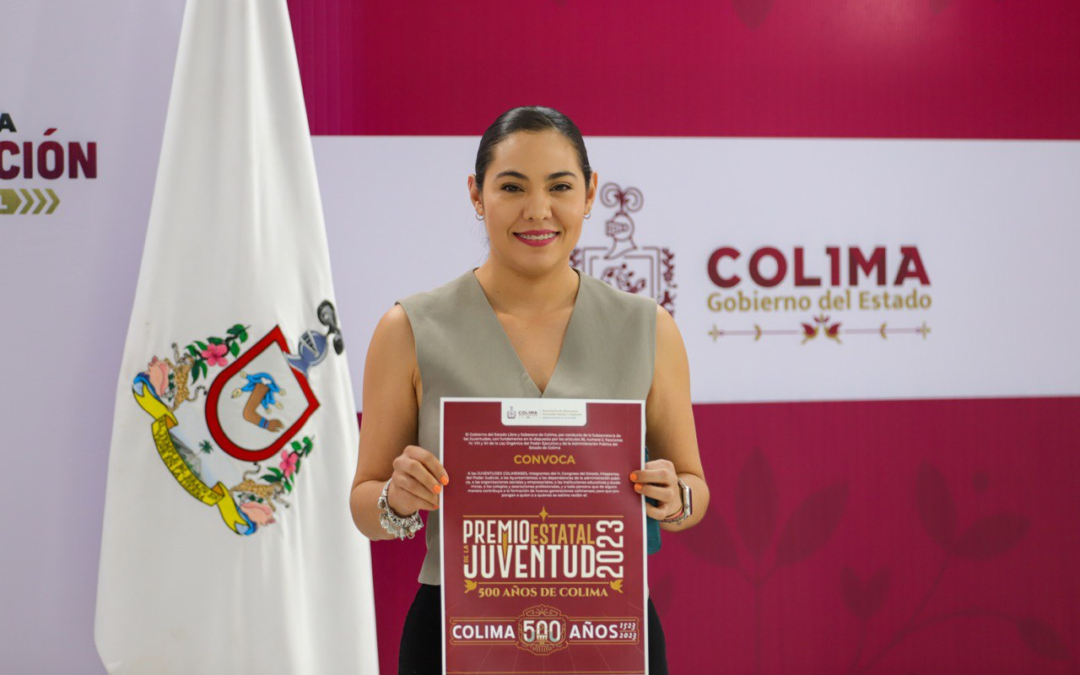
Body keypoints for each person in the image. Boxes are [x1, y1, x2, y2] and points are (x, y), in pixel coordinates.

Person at [349, 106, 710, 675]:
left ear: (589, 193)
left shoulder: (647, 327)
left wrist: (675, 496)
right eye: (512, 186)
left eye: (559, 187)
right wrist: (396, 498)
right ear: (476, 194)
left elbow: (694, 489)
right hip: (456, 633)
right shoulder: (410, 328)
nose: (537, 210)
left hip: (610, 631)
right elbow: (363, 505)